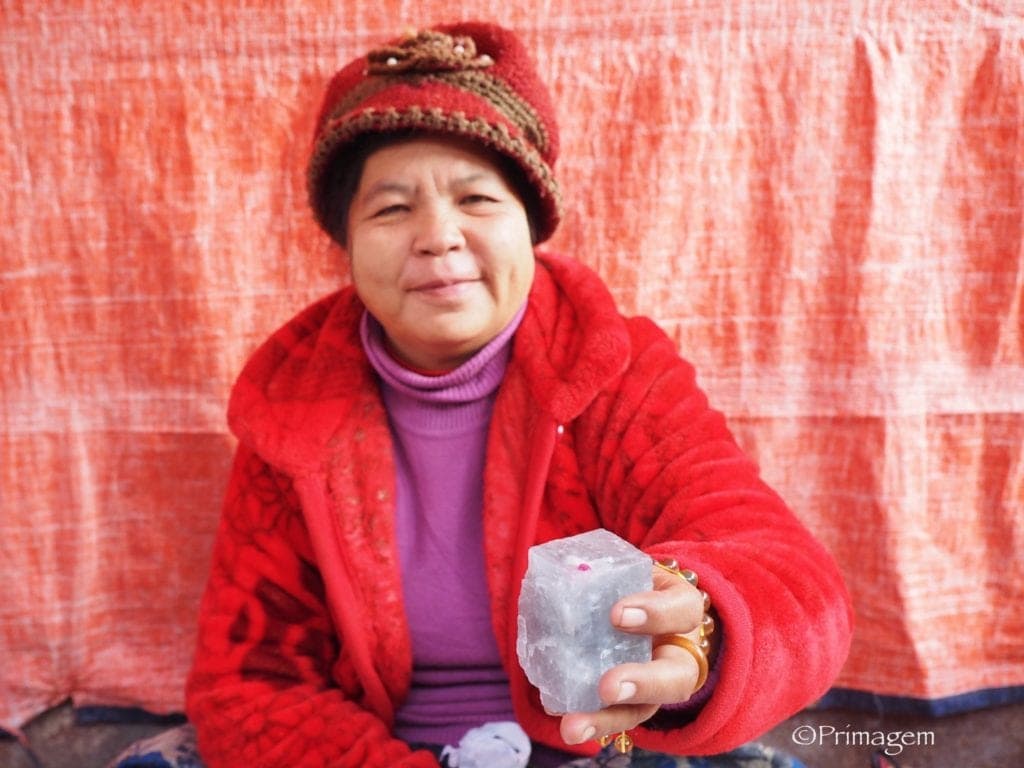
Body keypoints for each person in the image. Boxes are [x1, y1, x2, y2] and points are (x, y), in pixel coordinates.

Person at [178, 20, 853, 768]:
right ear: (343, 244)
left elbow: (792, 584)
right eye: (391, 209)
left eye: (477, 199)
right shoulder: (291, 408)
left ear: (532, 225)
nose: (438, 236)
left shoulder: (616, 371)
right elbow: (247, 681)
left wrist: (704, 630)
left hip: (599, 744)